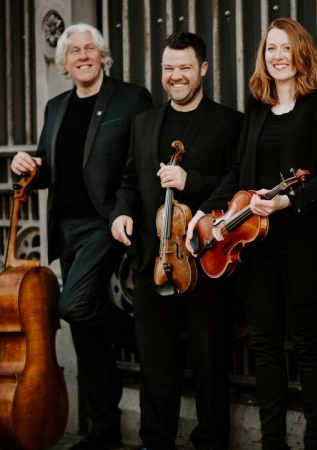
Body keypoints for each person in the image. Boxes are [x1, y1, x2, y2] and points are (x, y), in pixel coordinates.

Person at [186, 17, 317, 450]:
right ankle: (273, 443)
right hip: (255, 247)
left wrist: (286, 202)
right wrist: (208, 212)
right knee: (266, 345)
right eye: (271, 48)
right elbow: (238, 172)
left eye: (286, 48)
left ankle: (316, 443)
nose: (278, 56)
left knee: (307, 345)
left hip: (304, 245)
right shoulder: (256, 108)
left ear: (301, 53)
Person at [10, 23, 152, 450]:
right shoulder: (56, 107)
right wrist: (23, 168)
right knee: (86, 331)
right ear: (64, 63)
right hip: (67, 228)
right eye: (75, 51)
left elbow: (139, 160)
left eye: (91, 49)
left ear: (103, 56)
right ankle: (103, 430)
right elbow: (47, 169)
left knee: (73, 305)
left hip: (107, 221)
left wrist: (126, 211)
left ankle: (146, 338)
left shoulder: (131, 99)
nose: (84, 56)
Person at [109, 32, 242, 450]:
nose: (176, 76)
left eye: (185, 67)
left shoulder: (229, 122)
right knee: (156, 365)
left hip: (205, 262)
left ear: (203, 69)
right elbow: (130, 180)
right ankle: (156, 442)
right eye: (169, 68)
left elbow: (238, 183)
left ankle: (211, 443)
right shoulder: (145, 123)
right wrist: (121, 211)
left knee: (209, 364)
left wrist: (192, 181)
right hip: (155, 260)